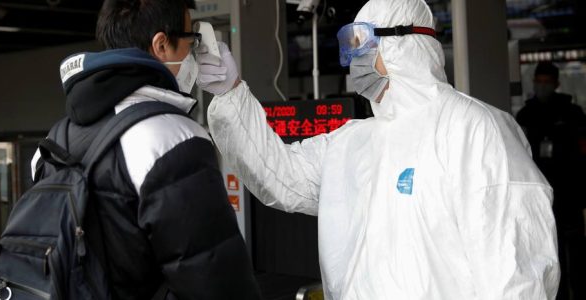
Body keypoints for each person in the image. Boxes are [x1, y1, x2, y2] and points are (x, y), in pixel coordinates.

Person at [196, 0, 560, 299]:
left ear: (403, 45)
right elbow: (281, 175)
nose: (354, 60)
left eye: (362, 44)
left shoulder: (474, 131)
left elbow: (516, 275)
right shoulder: (353, 142)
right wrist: (231, 95)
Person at [30, 0, 261, 299]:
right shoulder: (173, 136)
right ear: (161, 44)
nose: (194, 52)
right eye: (191, 41)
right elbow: (216, 278)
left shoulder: (52, 142)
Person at [516, 62, 586, 300]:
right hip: (538, 193)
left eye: (547, 82)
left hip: (569, 191)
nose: (542, 86)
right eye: (539, 81)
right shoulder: (526, 114)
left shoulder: (572, 113)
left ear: (556, 84)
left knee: (575, 251)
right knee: (546, 250)